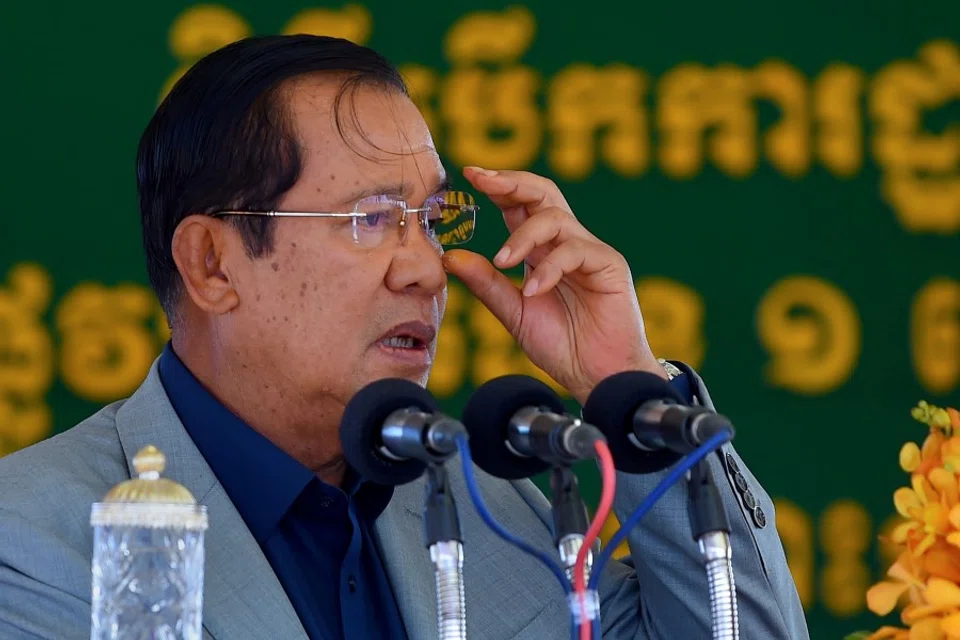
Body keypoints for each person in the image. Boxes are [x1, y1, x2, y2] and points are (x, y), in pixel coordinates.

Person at [0, 35, 808, 639]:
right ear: (212, 264)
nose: (426, 267)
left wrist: (623, 382)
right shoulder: (34, 539)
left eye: (431, 219)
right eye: (373, 219)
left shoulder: (495, 509)